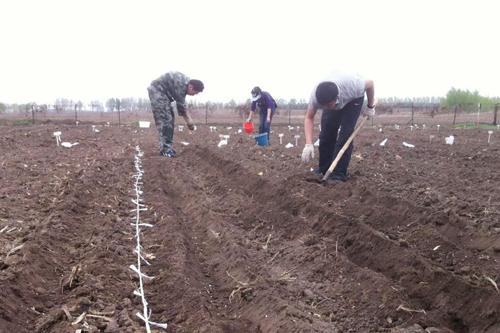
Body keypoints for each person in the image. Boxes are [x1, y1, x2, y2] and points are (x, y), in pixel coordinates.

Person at [301, 70, 375, 182]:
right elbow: (309, 118)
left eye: (328, 105)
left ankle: (338, 173)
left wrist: (370, 106)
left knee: (345, 134)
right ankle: (324, 168)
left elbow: (370, 83)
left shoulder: (353, 86)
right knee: (326, 133)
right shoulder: (316, 98)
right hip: (334, 96)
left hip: (353, 99)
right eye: (323, 105)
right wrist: (308, 143)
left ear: (336, 97)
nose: (326, 107)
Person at [147, 71, 204, 157]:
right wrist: (190, 123)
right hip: (157, 91)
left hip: (163, 93)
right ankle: (165, 150)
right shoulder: (181, 85)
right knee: (166, 119)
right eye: (195, 93)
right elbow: (182, 107)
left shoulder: (186, 83)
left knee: (170, 118)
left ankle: (167, 147)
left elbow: (181, 105)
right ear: (191, 87)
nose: (193, 95)